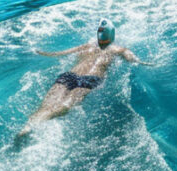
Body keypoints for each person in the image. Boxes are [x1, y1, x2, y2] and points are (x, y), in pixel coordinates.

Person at [16, 19, 147, 139]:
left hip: (69, 75)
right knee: (66, 105)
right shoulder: (117, 49)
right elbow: (131, 58)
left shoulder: (86, 46)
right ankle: (38, 123)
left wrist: (41, 52)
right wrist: (143, 63)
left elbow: (58, 54)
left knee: (48, 103)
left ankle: (28, 126)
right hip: (90, 79)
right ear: (112, 35)